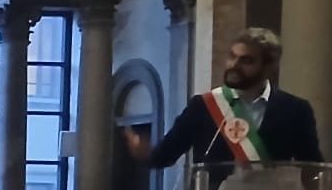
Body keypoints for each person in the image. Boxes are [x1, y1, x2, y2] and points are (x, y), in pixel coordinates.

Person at [133, 28, 322, 180]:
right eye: (232, 56)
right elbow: (165, 155)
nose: (234, 65)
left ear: (269, 67)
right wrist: (146, 153)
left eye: (246, 60)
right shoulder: (203, 106)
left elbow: (312, 166)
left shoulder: (296, 110)